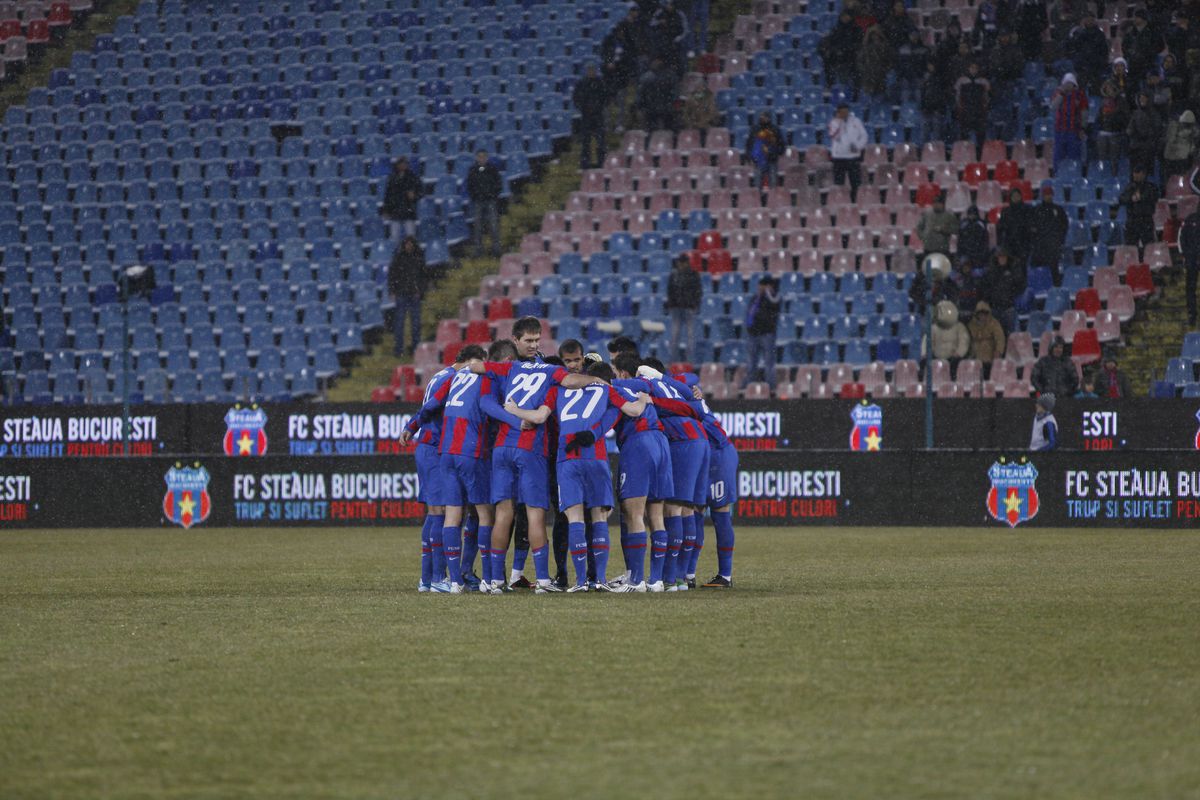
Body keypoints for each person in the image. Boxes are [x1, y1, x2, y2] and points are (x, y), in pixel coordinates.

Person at [470, 341, 600, 594]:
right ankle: (542, 580)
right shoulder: (551, 376)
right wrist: (596, 380)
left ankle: (495, 580)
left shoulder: (510, 369)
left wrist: (511, 412)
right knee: (534, 514)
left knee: (504, 514)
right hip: (530, 448)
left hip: (501, 447)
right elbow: (567, 386)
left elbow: (476, 367)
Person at [505, 363, 649, 592]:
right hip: (596, 456)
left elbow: (540, 417)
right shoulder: (605, 389)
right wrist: (643, 399)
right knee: (599, 518)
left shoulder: (557, 390)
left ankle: (580, 582)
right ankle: (599, 580)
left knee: (575, 520)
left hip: (567, 457)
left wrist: (514, 411)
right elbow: (633, 411)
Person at [400, 344, 487, 592]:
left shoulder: (441, 374)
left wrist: (412, 426)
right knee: (441, 512)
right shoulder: (455, 378)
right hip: (435, 447)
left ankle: (427, 579)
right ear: (472, 361)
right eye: (480, 364)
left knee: (436, 512)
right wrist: (412, 425)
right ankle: (438, 578)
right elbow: (431, 409)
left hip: (430, 447)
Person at [610, 352, 677, 593]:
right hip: (661, 442)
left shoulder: (615, 386)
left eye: (615, 370)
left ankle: (636, 581)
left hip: (638, 443)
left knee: (633, 513)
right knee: (656, 515)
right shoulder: (647, 384)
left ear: (623, 373)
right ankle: (656, 580)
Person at [741, 276, 781, 395]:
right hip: (753, 334)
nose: (760, 288)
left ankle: (771, 387)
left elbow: (775, 304)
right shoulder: (755, 298)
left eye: (762, 285)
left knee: (769, 363)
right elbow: (750, 313)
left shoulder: (774, 297)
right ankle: (749, 386)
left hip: (767, 334)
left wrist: (768, 292)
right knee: (751, 362)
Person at [386, 237, 425, 357]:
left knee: (416, 324)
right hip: (401, 294)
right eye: (407, 244)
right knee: (400, 324)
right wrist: (392, 290)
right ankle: (399, 349)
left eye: (410, 244)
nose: (409, 246)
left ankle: (415, 348)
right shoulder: (399, 258)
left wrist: (420, 290)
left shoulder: (418, 258)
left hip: (413, 294)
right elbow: (392, 275)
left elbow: (423, 276)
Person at [1030, 180, 1069, 284]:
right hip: (1040, 247)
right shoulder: (1036, 210)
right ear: (1043, 196)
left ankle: (1054, 290)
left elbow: (1064, 226)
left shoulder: (1058, 210)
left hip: (1053, 247)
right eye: (1046, 195)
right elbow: (1032, 227)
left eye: (1050, 194)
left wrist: (1058, 240)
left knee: (1054, 271)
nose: (1048, 196)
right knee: (1039, 272)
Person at [827, 103, 868, 201]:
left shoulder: (856, 121)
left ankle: (854, 202)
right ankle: (840, 202)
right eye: (842, 112)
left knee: (855, 183)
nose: (844, 113)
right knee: (839, 183)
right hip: (839, 158)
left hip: (853, 157)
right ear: (838, 112)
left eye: (846, 111)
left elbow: (864, 136)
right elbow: (833, 136)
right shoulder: (833, 123)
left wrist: (858, 146)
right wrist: (839, 123)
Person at [665, 253, 701, 362]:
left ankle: (689, 361)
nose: (681, 265)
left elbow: (698, 291)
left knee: (690, 336)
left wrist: (695, 304)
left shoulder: (693, 274)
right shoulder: (674, 275)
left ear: (686, 263)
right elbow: (670, 291)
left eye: (682, 263)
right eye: (680, 263)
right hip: (677, 309)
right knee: (675, 336)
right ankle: (673, 361)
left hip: (689, 308)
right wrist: (671, 305)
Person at [466, 150, 502, 258]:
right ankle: (478, 250)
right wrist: (475, 196)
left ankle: (496, 249)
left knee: (494, 225)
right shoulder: (472, 170)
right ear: (476, 158)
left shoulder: (492, 169)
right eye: (479, 157)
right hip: (478, 201)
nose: (481, 159)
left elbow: (498, 184)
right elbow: (470, 185)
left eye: (483, 157)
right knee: (477, 226)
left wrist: (493, 195)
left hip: (490, 201)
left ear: (487, 158)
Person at [573, 64, 608, 170]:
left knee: (601, 141)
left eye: (593, 70)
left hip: (598, 116)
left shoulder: (601, 83)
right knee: (585, 142)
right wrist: (583, 108)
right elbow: (576, 98)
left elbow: (605, 97)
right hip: (586, 117)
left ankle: (602, 163)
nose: (591, 72)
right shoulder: (581, 83)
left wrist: (598, 107)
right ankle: (584, 164)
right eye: (589, 70)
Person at [1050, 73, 1088, 170]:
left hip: (1074, 130)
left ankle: (1074, 173)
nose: (1068, 85)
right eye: (1066, 83)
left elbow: (1084, 112)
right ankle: (1057, 174)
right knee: (1058, 155)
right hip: (1060, 129)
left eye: (1070, 83)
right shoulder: (1058, 93)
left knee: (1074, 155)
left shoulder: (1080, 95)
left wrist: (1083, 127)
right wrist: (1062, 94)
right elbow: (1053, 106)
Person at [1120, 165, 1160, 258]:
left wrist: (1140, 198)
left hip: (1146, 221)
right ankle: (1132, 266)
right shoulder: (1130, 187)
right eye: (1134, 173)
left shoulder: (1150, 187)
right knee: (1131, 248)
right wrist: (1132, 198)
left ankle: (1151, 266)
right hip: (1132, 221)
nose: (1136, 176)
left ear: (1143, 174)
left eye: (1138, 173)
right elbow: (1121, 199)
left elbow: (1154, 196)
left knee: (1149, 247)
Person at [1067, 12, 1110, 95]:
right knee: (1081, 91)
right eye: (1087, 19)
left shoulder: (1099, 34)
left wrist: (1101, 62)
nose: (1089, 21)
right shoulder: (1078, 33)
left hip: (1096, 67)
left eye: (1091, 19)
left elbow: (1104, 51)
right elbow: (1073, 47)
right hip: (1082, 67)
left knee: (1096, 90)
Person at [980, 248, 1022, 332]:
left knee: (1011, 334)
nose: (1002, 259)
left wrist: (1012, 295)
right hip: (995, 308)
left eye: (1004, 257)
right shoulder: (991, 272)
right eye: (1000, 257)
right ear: (997, 258)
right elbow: (985, 287)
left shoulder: (1013, 270)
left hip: (1008, 308)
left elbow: (1019, 284)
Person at [380, 157, 421, 241]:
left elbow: (420, 192)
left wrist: (414, 196)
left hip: (408, 210)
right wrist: (386, 210)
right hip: (395, 211)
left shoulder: (412, 177)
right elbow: (387, 195)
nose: (403, 165)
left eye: (405, 164)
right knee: (395, 238)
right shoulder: (392, 178)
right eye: (401, 164)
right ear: (397, 165)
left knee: (411, 237)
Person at [955, 61, 991, 155]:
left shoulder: (983, 81)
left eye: (975, 68)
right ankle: (964, 154)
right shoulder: (961, 81)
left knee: (980, 135)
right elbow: (957, 97)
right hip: (966, 111)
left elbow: (987, 97)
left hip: (979, 112)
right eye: (972, 67)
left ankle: (980, 155)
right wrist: (960, 108)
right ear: (968, 68)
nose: (973, 70)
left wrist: (984, 108)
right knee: (964, 134)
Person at [996, 186, 1035, 270]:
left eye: (1018, 196)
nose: (1016, 198)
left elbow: (1030, 226)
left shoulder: (1027, 209)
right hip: (1010, 244)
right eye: (1014, 196)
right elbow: (1000, 227)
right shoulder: (1006, 211)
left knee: (1022, 268)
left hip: (1024, 244)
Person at [1126, 91, 1163, 175]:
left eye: (1144, 98)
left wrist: (1146, 135)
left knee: (1146, 171)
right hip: (1135, 147)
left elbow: (1157, 130)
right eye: (1140, 98)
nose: (1142, 100)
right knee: (1134, 171)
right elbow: (1129, 128)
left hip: (1147, 148)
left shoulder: (1154, 114)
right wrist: (1132, 133)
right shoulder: (1136, 113)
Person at [967, 300, 1006, 379]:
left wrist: (998, 351)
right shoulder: (971, 325)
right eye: (980, 314)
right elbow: (967, 340)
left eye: (985, 313)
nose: (982, 316)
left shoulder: (994, 323)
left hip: (990, 358)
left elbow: (1000, 339)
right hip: (975, 358)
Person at [1095, 78, 1130, 166]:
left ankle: (1114, 173)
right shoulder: (1103, 101)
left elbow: (1125, 116)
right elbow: (1098, 117)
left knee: (1114, 156)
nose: (1108, 89)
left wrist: (1114, 119)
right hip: (1104, 130)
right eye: (1107, 88)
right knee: (1101, 153)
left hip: (1116, 131)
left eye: (1110, 87)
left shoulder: (1121, 101)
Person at [745, 111, 785, 188]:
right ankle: (757, 199)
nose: (763, 119)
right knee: (757, 185)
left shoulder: (775, 129)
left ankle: (772, 199)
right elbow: (749, 144)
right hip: (759, 160)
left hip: (772, 161)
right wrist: (749, 157)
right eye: (762, 117)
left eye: (765, 117)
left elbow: (782, 144)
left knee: (773, 185)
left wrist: (776, 153)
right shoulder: (755, 129)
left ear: (769, 118)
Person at [636, 58, 676, 132]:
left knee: (651, 131)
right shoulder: (670, 76)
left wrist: (640, 106)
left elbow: (640, 95)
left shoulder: (645, 77)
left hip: (651, 109)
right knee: (667, 131)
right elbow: (674, 93)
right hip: (665, 109)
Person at [1180, 204, 1200, 327]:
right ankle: (1192, 315)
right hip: (1192, 259)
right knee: (1190, 288)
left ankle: (1192, 315)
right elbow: (1182, 238)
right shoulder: (1190, 219)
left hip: (1193, 257)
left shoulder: (1191, 219)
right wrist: (1188, 255)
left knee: (1190, 289)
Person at [1164, 111, 1199, 179]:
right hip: (1173, 160)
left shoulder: (1191, 130)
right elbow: (1171, 142)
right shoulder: (1174, 125)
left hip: (1183, 161)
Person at [957, 205, 990, 269]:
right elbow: (960, 240)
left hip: (978, 252)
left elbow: (985, 240)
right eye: (970, 214)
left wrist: (983, 252)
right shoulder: (964, 224)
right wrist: (960, 252)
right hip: (965, 252)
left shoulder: (981, 224)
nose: (972, 216)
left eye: (973, 214)